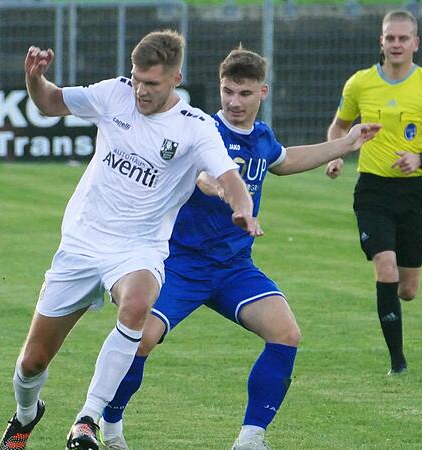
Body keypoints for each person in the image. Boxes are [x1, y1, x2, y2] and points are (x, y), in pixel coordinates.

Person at [99, 47, 381, 450]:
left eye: (244, 93)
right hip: (180, 264)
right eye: (228, 91)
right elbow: (203, 177)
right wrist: (228, 193)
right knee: (141, 339)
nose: (234, 102)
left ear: (262, 92)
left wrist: (346, 144)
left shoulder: (262, 136)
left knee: (286, 333)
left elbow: (284, 160)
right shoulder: (201, 131)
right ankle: (109, 425)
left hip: (233, 267)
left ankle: (251, 438)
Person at [0, 30, 262, 450]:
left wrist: (243, 207)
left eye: (152, 83)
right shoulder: (114, 94)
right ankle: (26, 414)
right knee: (33, 362)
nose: (140, 90)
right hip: (82, 243)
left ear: (176, 78)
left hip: (139, 248)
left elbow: (229, 178)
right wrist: (34, 78)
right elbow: (49, 101)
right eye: (137, 79)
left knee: (138, 303)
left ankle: (87, 419)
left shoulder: (195, 127)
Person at [325, 10, 422, 375]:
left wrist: (421, 158)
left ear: (416, 43)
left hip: (412, 192)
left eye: (403, 38)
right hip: (372, 190)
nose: (396, 44)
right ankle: (397, 362)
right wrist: (336, 155)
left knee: (407, 289)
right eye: (390, 38)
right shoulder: (360, 83)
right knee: (385, 267)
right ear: (381, 41)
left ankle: (396, 318)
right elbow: (338, 128)